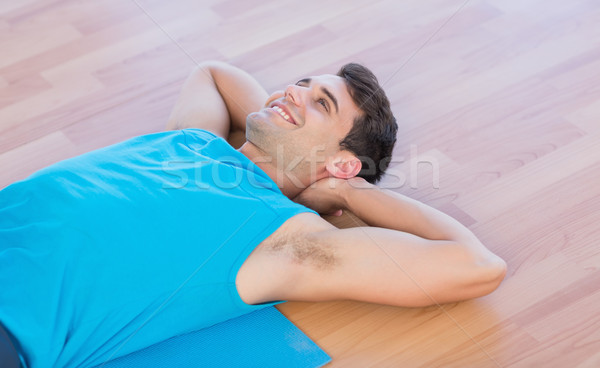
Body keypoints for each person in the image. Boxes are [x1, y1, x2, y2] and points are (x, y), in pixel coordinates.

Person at [0, 61, 506, 368]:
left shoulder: (286, 240)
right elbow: (215, 72)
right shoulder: (195, 136)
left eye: (321, 102)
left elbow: (477, 266)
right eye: (301, 82)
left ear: (344, 161)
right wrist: (292, 122)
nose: (293, 91)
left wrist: (345, 192)